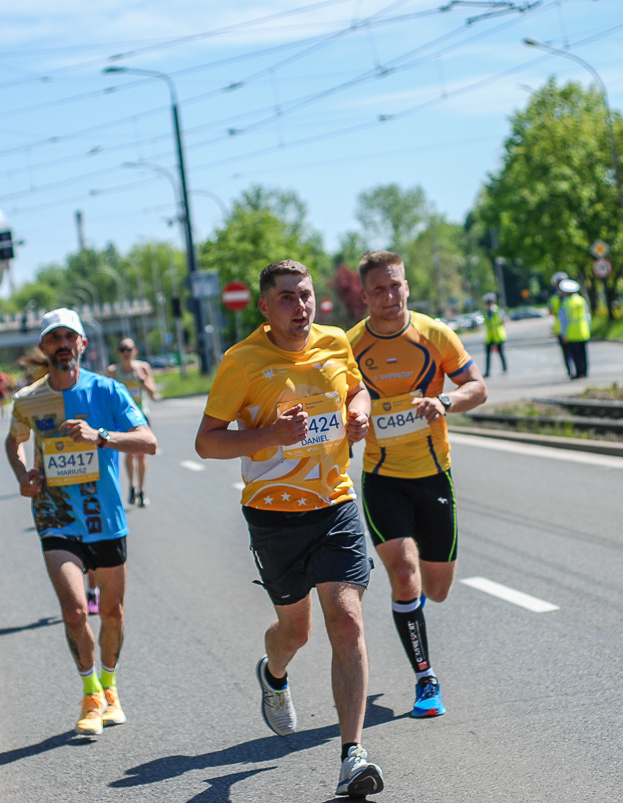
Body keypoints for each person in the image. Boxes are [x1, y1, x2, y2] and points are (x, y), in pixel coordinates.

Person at [194, 259, 385, 798]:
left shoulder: (333, 343)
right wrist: (271, 434)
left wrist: (360, 412)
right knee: (295, 632)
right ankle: (274, 673)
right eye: (286, 298)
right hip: (274, 515)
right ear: (264, 306)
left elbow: (356, 390)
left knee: (346, 620)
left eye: (305, 296)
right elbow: (207, 441)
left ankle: (353, 754)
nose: (300, 307)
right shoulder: (242, 361)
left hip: (334, 503)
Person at [347, 250, 488, 719]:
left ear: (407, 285)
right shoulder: (348, 347)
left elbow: (478, 387)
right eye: (379, 289)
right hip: (382, 480)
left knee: (438, 587)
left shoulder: (433, 334)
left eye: (397, 285)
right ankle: (425, 678)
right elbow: (334, 403)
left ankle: (415, 605)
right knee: (404, 577)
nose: (390, 296)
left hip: (434, 475)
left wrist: (446, 399)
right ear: (365, 296)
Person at [5, 308, 157, 735]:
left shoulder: (107, 391)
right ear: (44, 347)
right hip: (56, 516)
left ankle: (110, 685)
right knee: (75, 610)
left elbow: (149, 442)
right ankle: (90, 692)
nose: (63, 345)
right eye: (54, 338)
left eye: (70, 337)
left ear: (82, 345)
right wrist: (24, 475)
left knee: (112, 612)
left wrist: (101, 436)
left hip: (105, 517)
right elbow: (14, 442)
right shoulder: (29, 400)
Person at [107, 338, 158, 507]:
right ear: (118, 353)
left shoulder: (143, 368)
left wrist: (142, 380)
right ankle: (132, 486)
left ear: (135, 351)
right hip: (122, 418)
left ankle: (142, 490)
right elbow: (107, 397)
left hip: (141, 416)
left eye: (129, 349)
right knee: (129, 453)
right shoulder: (113, 371)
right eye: (123, 349)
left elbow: (152, 393)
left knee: (142, 453)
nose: (126, 353)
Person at [558, 279, 592, 379]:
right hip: (583, 330)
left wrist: (564, 334)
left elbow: (564, 321)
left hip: (572, 333)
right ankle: (584, 372)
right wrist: (589, 328)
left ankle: (578, 373)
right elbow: (588, 316)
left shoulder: (566, 303)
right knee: (583, 353)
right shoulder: (581, 300)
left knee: (575, 355)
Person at [549, 272, 574, 378]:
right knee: (565, 353)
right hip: (560, 329)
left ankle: (576, 371)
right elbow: (551, 311)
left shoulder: (571, 297)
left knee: (574, 352)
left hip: (573, 329)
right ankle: (569, 371)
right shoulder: (555, 299)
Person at [482, 293, 508, 376]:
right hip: (489, 337)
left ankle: (504, 369)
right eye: (487, 303)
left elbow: (503, 320)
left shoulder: (497, 311)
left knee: (501, 353)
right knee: (488, 355)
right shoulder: (486, 312)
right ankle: (487, 372)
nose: (489, 304)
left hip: (498, 335)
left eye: (490, 302)